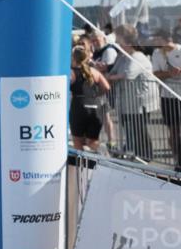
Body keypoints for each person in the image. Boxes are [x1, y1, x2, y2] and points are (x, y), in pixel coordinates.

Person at [107, 25, 157, 161]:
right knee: (129, 129)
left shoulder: (137, 56)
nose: (116, 43)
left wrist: (111, 77)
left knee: (139, 130)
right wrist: (109, 74)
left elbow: (128, 74)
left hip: (139, 103)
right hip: (126, 102)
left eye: (118, 40)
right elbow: (113, 72)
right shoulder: (123, 57)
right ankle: (133, 153)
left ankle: (145, 157)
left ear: (128, 42)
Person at [70, 45, 111, 151]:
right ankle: (100, 153)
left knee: (78, 141)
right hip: (95, 105)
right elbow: (107, 87)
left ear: (73, 58)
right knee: (92, 141)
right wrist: (96, 95)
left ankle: (80, 165)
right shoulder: (94, 71)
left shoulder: (72, 72)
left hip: (79, 106)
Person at [151, 29, 181, 170]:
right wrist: (169, 73)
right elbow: (155, 74)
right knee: (173, 131)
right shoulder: (157, 54)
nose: (154, 42)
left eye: (156, 39)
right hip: (167, 96)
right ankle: (177, 160)